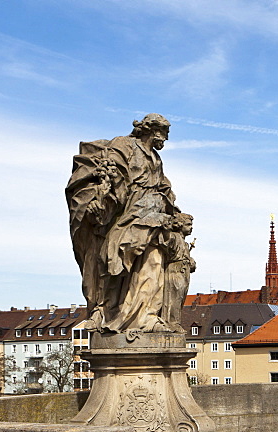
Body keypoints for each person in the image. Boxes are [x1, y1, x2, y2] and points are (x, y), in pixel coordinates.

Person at [66, 113, 193, 334]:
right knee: (117, 253)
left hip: (153, 216)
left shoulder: (155, 158)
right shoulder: (124, 146)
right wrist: (102, 199)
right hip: (127, 214)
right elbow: (109, 179)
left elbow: (163, 188)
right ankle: (110, 310)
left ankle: (147, 316)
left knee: (156, 259)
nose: (166, 139)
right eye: (164, 133)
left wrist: (174, 211)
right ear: (151, 130)